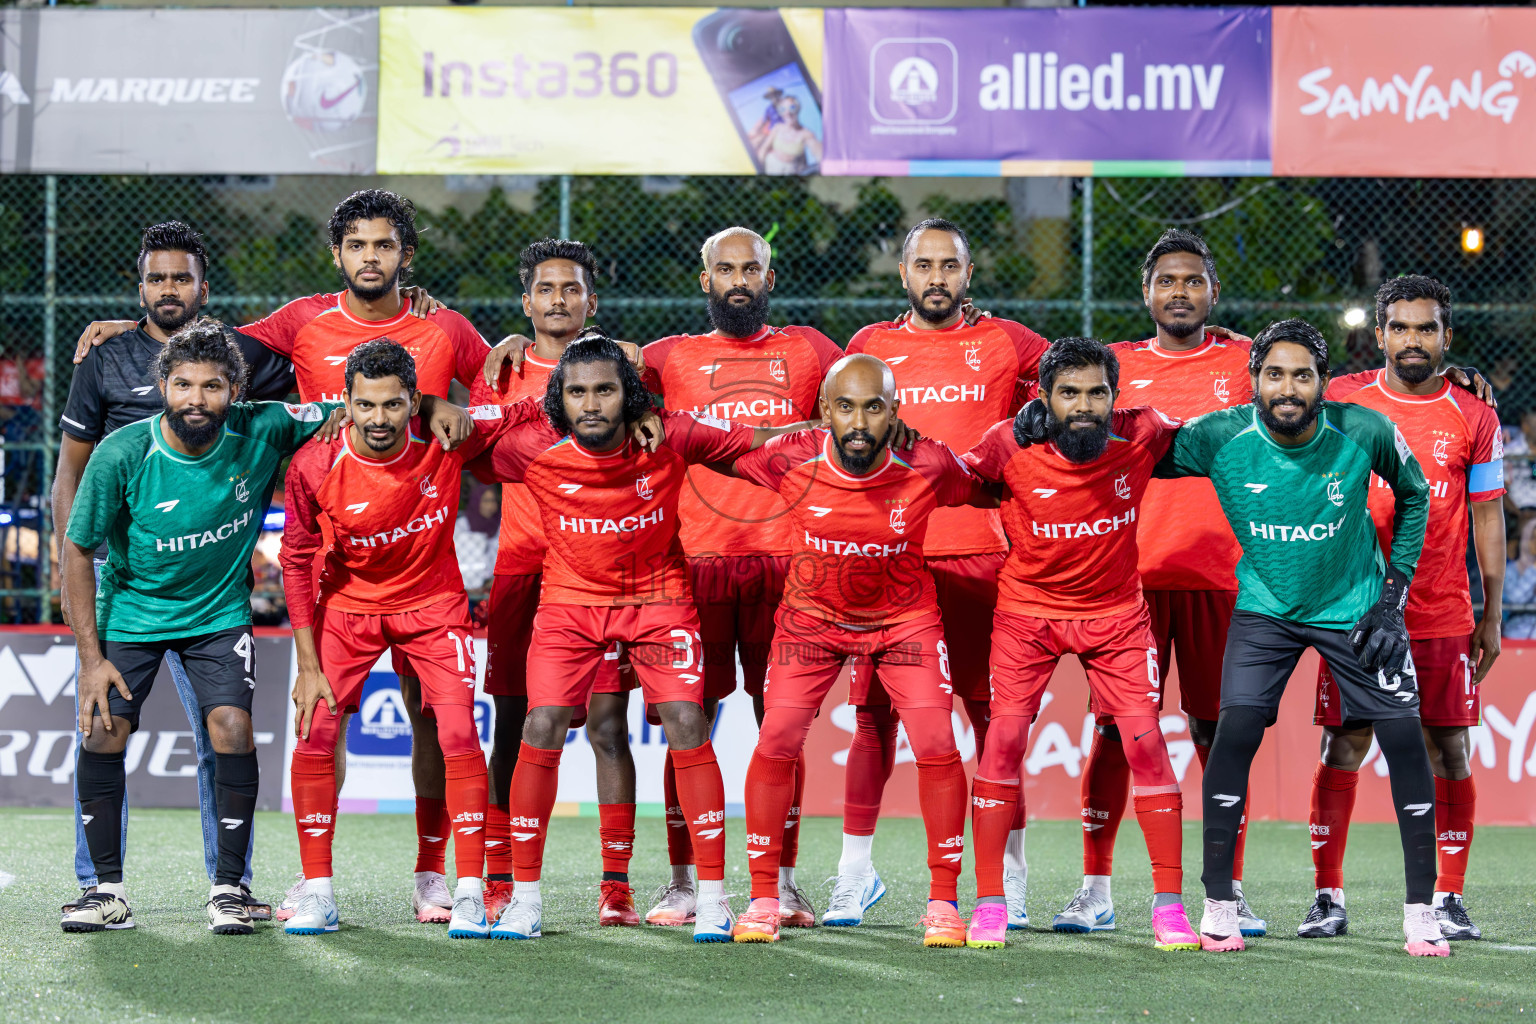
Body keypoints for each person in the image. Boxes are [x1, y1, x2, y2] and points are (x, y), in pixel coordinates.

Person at [70, 191, 477, 923]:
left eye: (384, 246)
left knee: (427, 726)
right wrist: (128, 333)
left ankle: (426, 875)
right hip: (311, 574)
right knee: (310, 725)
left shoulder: (440, 327)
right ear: (338, 254)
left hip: (401, 570)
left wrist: (441, 402)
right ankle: (279, 884)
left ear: (405, 256)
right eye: (357, 245)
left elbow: (497, 389)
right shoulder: (297, 323)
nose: (371, 257)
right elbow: (208, 346)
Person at [467, 330, 805, 943]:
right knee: (538, 726)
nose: (591, 404)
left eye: (605, 390)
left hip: (658, 600)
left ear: (630, 395)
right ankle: (525, 898)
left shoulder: (669, 435)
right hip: (569, 605)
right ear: (559, 400)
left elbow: (759, 441)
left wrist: (845, 432)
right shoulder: (531, 448)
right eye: (576, 393)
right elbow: (458, 437)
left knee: (686, 721)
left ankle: (710, 898)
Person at [1155, 318, 1443, 957]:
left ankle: (1421, 913)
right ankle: (1220, 903)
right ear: (1254, 379)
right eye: (1275, 374)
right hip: (1266, 610)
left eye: (1303, 375)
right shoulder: (1218, 436)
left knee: (1404, 742)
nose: (1288, 388)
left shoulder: (1362, 429)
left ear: (1323, 382)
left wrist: (1393, 598)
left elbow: (1417, 494)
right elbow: (1130, 451)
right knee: (1232, 736)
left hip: (1358, 610)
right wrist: (1049, 424)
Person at [59, 321, 343, 934]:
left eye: (212, 386)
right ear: (163, 385)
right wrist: (90, 659)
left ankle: (229, 889)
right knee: (105, 733)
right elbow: (77, 551)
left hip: (217, 615)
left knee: (232, 729)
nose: (196, 398)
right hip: (132, 613)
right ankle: (103, 890)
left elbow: (358, 407)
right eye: (182, 384)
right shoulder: (123, 453)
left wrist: (433, 402)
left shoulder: (263, 426)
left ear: (234, 390)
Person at [719, 353, 983, 948]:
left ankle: (943, 901)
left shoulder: (931, 464)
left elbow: (990, 485)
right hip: (809, 623)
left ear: (895, 412)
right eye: (845, 407)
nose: (859, 421)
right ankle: (763, 898)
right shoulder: (790, 457)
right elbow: (720, 448)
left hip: (903, 622)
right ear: (823, 413)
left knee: (938, 744)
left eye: (874, 407)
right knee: (778, 739)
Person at [831, 218, 1048, 928]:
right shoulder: (870, 348)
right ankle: (853, 875)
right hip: (889, 562)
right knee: (871, 721)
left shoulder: (1010, 344)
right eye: (923, 265)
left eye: (948, 265)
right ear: (903, 274)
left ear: (968, 271)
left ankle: (1007, 877)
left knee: (994, 720)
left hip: (985, 561)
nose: (936, 277)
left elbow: (1088, 378)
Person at [279, 339, 528, 939]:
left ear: (412, 401)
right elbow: (294, 559)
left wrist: (503, 357)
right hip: (348, 607)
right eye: (365, 406)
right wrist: (307, 664)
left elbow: (530, 409)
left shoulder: (446, 437)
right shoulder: (314, 462)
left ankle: (457, 887)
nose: (379, 419)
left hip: (433, 605)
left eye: (393, 405)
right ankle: (317, 892)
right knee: (315, 729)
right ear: (346, 402)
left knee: (458, 731)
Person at [960, 337, 1199, 953]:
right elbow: (951, 477)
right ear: (1044, 398)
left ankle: (1169, 907)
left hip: (1116, 616)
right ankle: (989, 902)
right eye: (1070, 393)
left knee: (1146, 743)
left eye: (1097, 392)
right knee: (1004, 740)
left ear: (1115, 397)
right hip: (1027, 616)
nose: (1085, 405)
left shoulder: (1142, 434)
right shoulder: (1008, 443)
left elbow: (1211, 429)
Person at [638, 226, 844, 929]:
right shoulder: (668, 358)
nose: (737, 279)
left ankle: (781, 884)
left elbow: (866, 397)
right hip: (692, 567)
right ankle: (682, 883)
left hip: (792, 567)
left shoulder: (812, 350)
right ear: (704, 280)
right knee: (684, 725)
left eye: (749, 268)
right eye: (723, 268)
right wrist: (515, 348)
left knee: (780, 728)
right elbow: (584, 376)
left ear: (770, 276)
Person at [1067, 229, 1265, 936]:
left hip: (1223, 580)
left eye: (1193, 280)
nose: (1179, 291)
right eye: (1167, 280)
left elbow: (1322, 399)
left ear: (1213, 290)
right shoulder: (1113, 366)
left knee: (1220, 733)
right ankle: (1095, 889)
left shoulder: (1247, 362)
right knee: (1118, 732)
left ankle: (1227, 889)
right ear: (1145, 292)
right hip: (1129, 584)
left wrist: (1457, 381)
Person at [1305, 276, 1505, 943]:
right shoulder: (1342, 400)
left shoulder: (1475, 415)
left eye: (1427, 328)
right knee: (1345, 743)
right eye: (1401, 327)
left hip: (1443, 615)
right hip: (1358, 615)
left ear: (1447, 336)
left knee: (1450, 748)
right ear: (1381, 334)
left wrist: (1493, 612)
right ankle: (1327, 896)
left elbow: (1488, 516)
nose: (1413, 339)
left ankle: (1448, 897)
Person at [473, 239, 643, 927]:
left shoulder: (624, 369)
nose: (558, 301)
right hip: (524, 567)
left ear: (591, 302)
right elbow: (482, 456)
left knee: (607, 728)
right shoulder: (504, 368)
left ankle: (616, 885)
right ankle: (497, 877)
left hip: (603, 572)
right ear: (526, 302)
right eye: (545, 290)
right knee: (513, 726)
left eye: (571, 289)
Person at [758, 95, 820, 175]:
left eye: (792, 108)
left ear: (798, 109)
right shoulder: (777, 128)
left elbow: (818, 151)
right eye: (782, 109)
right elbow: (764, 149)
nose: (787, 113)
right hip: (771, 166)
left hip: (791, 171)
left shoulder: (806, 133)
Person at [1505, 518, 1536, 638]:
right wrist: (1534, 569)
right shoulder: (1511, 570)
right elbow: (1514, 600)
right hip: (1517, 634)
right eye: (1533, 538)